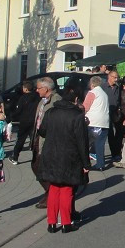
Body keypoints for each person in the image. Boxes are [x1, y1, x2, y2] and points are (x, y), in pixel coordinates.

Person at [36, 88, 88, 233]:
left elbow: (42, 131)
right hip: (70, 156)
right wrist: (86, 163)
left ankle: (51, 223)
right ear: (76, 100)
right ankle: (66, 222)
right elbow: (82, 141)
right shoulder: (77, 115)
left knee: (53, 188)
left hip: (51, 153)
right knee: (67, 188)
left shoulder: (51, 112)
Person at [31, 77, 62, 209]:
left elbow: (57, 122)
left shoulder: (56, 100)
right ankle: (50, 192)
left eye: (39, 88)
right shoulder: (43, 100)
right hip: (38, 137)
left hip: (48, 139)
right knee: (35, 165)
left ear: (46, 88)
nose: (37, 90)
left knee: (42, 167)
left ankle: (51, 194)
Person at [83, 75, 110, 171]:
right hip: (104, 122)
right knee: (100, 144)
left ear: (92, 83)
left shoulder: (92, 93)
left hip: (93, 122)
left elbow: (85, 107)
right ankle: (100, 164)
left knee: (86, 143)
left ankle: (86, 163)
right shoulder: (104, 94)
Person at [9, 81, 39, 164]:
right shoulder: (37, 96)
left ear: (25, 89)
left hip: (24, 121)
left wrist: (12, 117)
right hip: (34, 121)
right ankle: (37, 158)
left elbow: (18, 110)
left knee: (20, 140)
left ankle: (15, 157)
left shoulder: (23, 98)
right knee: (34, 140)